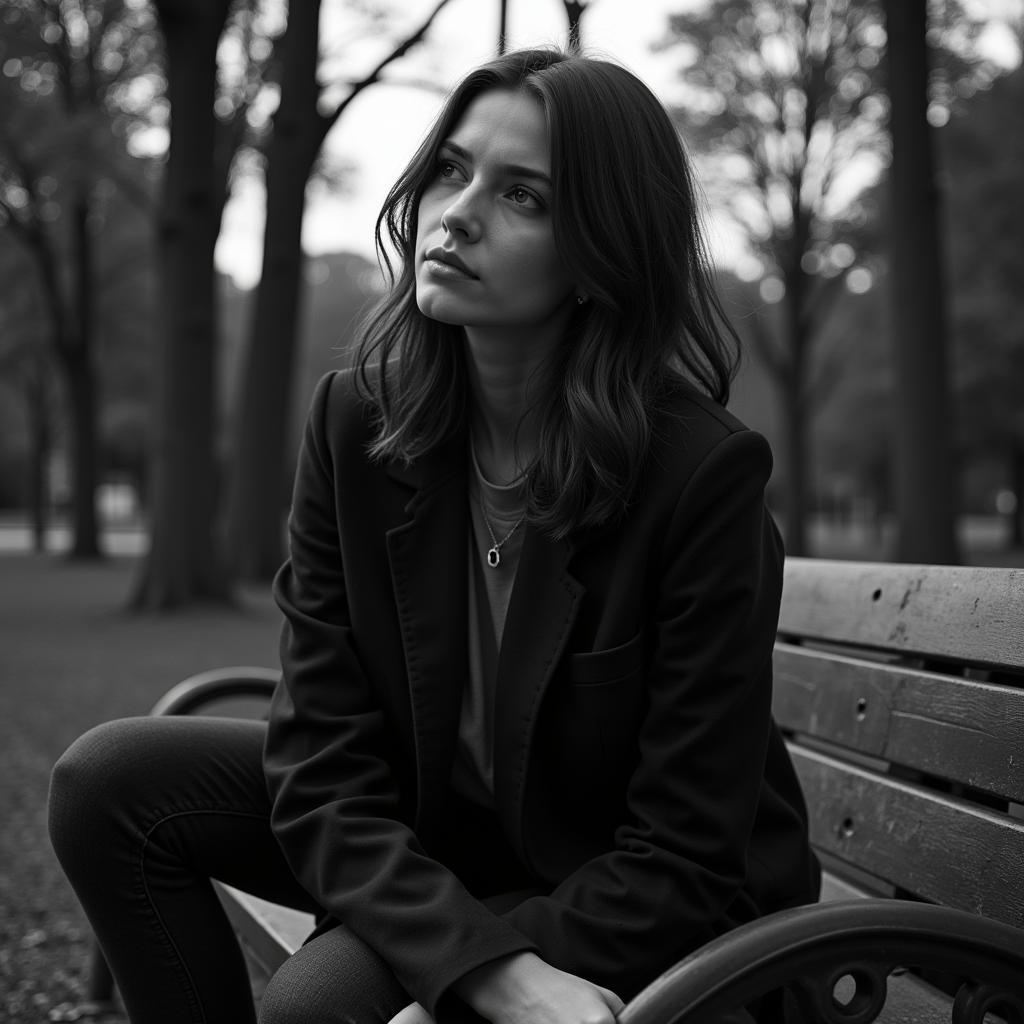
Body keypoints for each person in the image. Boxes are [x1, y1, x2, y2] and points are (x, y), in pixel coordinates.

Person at [49, 47, 820, 1024]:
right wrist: (483, 971)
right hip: (444, 841)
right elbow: (321, 760)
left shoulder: (698, 476)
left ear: (599, 254)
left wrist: (466, 980)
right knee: (110, 784)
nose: (455, 212)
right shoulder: (357, 429)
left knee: (313, 1012)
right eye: (451, 170)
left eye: (523, 197)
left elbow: (683, 852)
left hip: (639, 900)